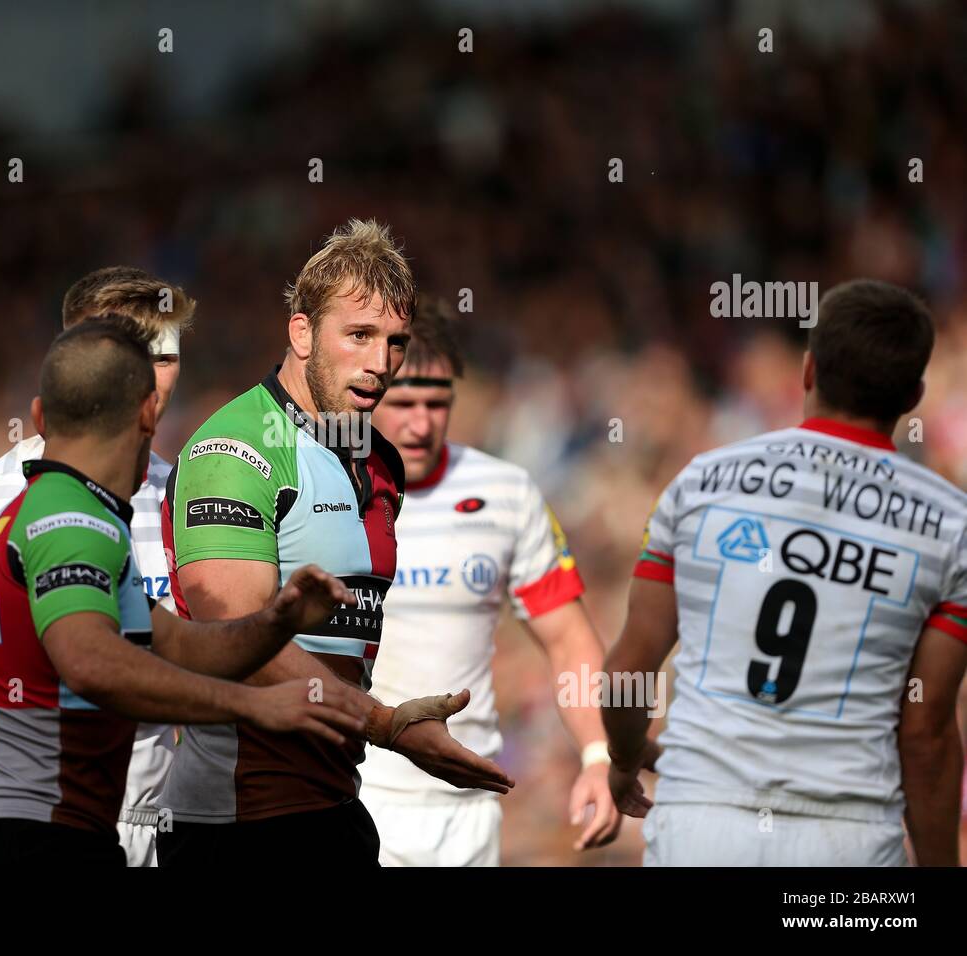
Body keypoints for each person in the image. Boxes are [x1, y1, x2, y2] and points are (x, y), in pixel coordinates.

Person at [0, 317, 366, 866]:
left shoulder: (28, 512)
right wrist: (255, 703)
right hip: (29, 839)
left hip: (1, 835)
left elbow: (178, 642)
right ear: (150, 412)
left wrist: (276, 623)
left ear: (39, 417)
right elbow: (91, 663)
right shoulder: (72, 519)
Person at [158, 219, 514, 867]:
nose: (380, 365)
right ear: (301, 332)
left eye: (395, 342)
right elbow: (238, 640)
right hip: (238, 821)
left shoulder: (379, 460)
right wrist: (389, 727)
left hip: (335, 806)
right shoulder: (233, 449)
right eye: (358, 335)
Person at [604, 279, 967, 866]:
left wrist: (624, 758)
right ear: (913, 395)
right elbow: (925, 736)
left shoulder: (702, 482)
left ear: (807, 370)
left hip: (701, 824)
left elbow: (626, 671)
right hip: (847, 841)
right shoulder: (951, 526)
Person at [361, 296, 621, 866]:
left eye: (438, 401)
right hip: (353, 797)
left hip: (466, 812)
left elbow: (568, 637)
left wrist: (598, 755)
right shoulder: (323, 490)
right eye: (404, 402)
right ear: (371, 394)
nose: (421, 422)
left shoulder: (505, 493)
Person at [0, 266, 191, 865]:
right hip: (50, 820)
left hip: (163, 817)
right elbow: (60, 664)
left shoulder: (178, 490)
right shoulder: (6, 498)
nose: (151, 381)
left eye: (165, 358)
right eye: (132, 356)